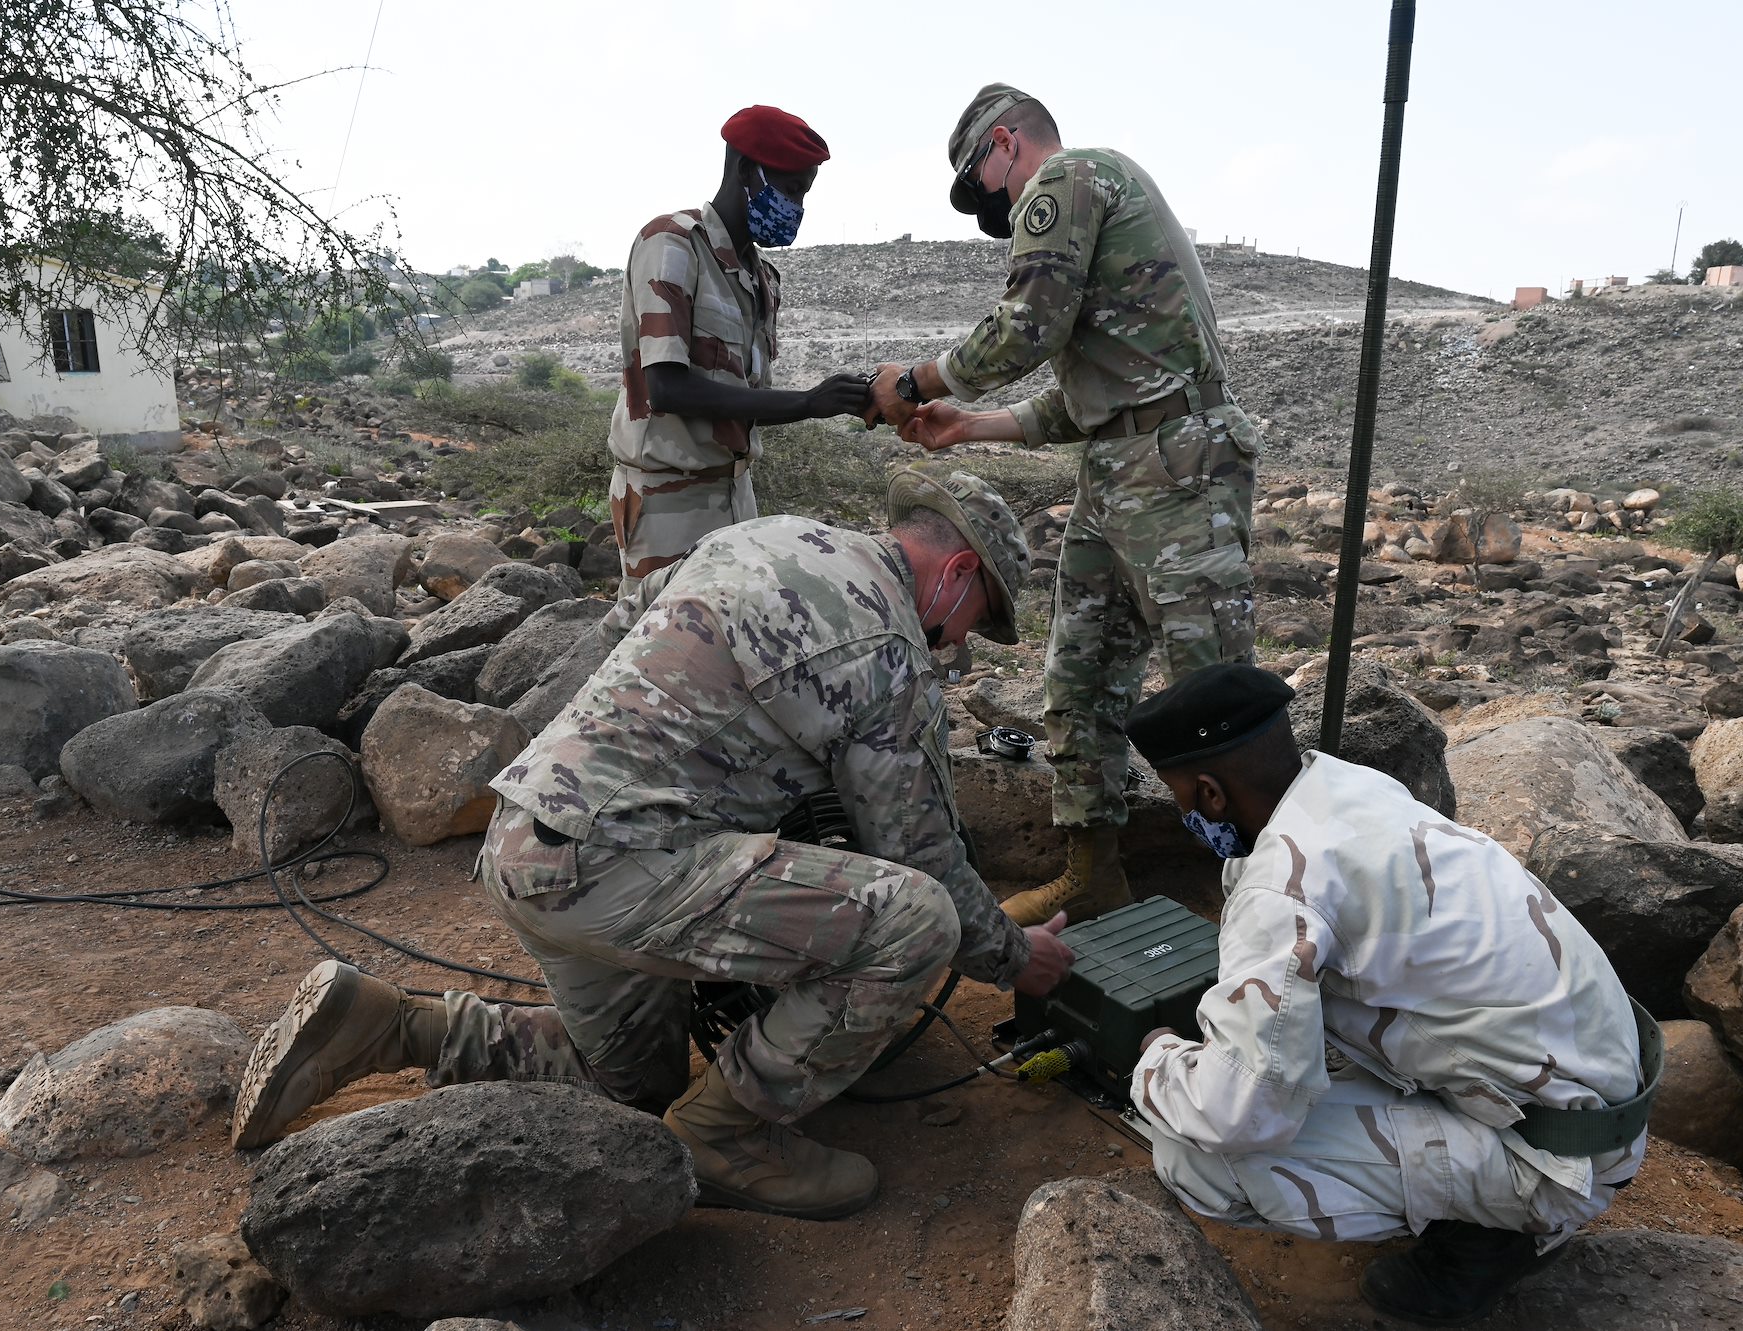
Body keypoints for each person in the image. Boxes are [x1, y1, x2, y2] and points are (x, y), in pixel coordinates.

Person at [231, 469, 1076, 1222]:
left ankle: (387, 1026)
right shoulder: (883, 639)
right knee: (918, 921)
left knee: (634, 1090)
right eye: (975, 620)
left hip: (527, 842)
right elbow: (920, 848)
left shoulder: (759, 538)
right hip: (618, 866)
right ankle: (725, 1137)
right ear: (957, 573)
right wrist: (1010, 956)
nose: (958, 643)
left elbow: (619, 643)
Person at [1122, 664, 1657, 1326]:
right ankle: (1476, 1186)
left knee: (1194, 1155)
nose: (1184, 814)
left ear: (1209, 792)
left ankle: (1493, 1239)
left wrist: (1154, 1062)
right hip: (1593, 1094)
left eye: (1180, 798)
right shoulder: (1342, 787)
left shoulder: (1284, 885)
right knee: (1311, 1043)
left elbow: (1240, 1112)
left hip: (1558, 1155)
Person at [867, 83, 1261, 931]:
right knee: (1080, 674)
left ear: (1005, 143)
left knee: (1218, 695)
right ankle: (1093, 873)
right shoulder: (1095, 210)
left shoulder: (1069, 178)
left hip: (1177, 465)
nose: (1001, 210)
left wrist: (911, 383)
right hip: (1120, 465)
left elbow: (1024, 328)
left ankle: (1268, 905)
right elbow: (1082, 401)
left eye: (989, 186)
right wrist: (968, 426)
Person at [607, 104, 874, 593]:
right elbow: (667, 388)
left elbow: (742, 399)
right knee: (660, 652)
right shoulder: (672, 243)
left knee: (723, 649)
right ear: (746, 170)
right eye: (790, 190)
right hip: (669, 500)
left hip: (734, 493)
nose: (797, 207)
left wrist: (836, 401)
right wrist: (807, 403)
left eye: (804, 194)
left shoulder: (760, 278)